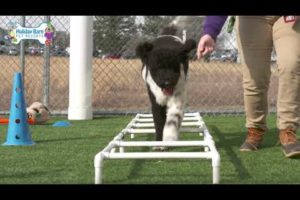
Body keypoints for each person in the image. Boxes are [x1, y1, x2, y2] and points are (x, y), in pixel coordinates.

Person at [197, 16, 300, 158]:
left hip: (288, 19)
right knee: (254, 76)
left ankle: (288, 131)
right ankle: (255, 129)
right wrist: (210, 32)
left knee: (291, 66)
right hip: (251, 19)